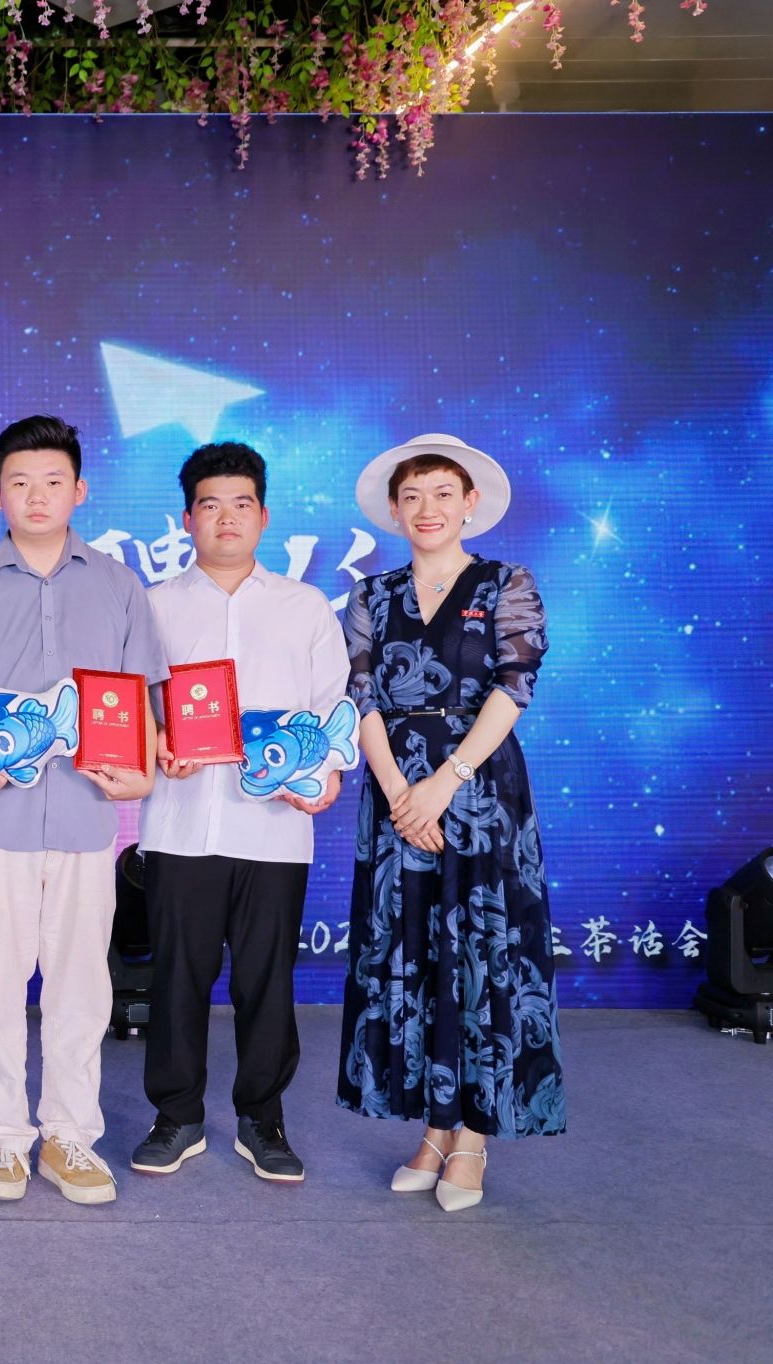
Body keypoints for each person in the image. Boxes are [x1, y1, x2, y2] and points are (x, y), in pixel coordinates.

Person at [0, 416, 163, 1206]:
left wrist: (140, 775)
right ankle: (4, 1141)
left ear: (80, 490)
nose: (37, 497)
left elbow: (141, 696)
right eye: (21, 483)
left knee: (80, 989)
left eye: (53, 482)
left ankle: (70, 1137)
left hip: (85, 819)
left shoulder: (118, 586)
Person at [336, 433, 563, 1212]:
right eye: (412, 496)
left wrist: (445, 783)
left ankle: (473, 1137)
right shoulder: (371, 595)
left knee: (479, 955)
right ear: (395, 511)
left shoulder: (505, 584)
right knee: (409, 953)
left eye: (441, 494)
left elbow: (513, 687)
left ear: (469, 503)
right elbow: (361, 696)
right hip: (396, 795)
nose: (426, 509)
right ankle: (434, 1129)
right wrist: (400, 792)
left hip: (480, 792)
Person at [129, 442, 351, 1185]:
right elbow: (133, 709)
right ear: (186, 518)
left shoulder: (304, 606)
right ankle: (177, 1116)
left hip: (274, 827)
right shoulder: (153, 605)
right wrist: (158, 744)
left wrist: (322, 775)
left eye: (241, 504)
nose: (226, 518)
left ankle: (263, 1118)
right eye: (210, 505)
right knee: (177, 979)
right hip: (179, 823)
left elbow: (330, 707)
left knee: (267, 981)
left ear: (264, 516)